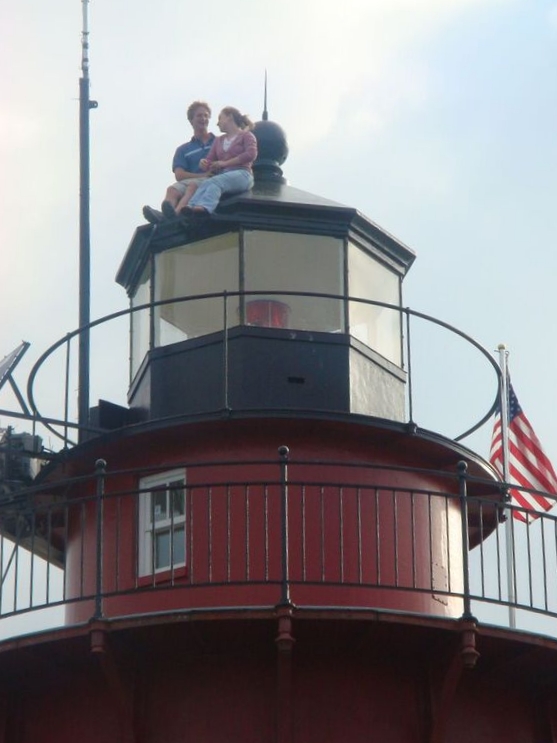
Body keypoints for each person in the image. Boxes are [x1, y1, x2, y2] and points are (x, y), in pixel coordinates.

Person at [142, 101, 215, 224]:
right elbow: (179, 175)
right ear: (191, 120)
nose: (203, 118)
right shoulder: (183, 150)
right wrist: (202, 175)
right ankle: (166, 214)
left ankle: (172, 217)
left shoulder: (218, 142)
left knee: (191, 187)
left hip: (212, 180)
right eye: (199, 115)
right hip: (196, 179)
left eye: (206, 115)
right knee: (172, 190)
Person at [181, 106, 257, 215]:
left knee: (215, 182)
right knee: (208, 183)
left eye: (220, 118)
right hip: (224, 175)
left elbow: (251, 154)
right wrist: (204, 163)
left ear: (229, 117)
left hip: (243, 174)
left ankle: (205, 207)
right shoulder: (218, 140)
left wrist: (224, 163)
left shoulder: (246, 136)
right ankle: (191, 207)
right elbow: (209, 160)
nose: (217, 123)